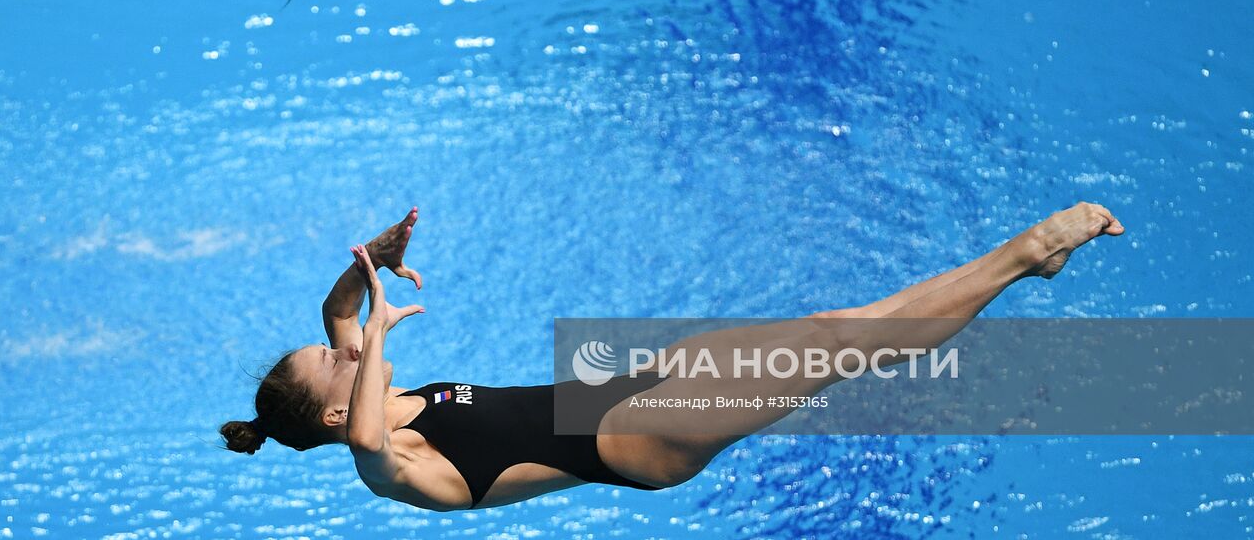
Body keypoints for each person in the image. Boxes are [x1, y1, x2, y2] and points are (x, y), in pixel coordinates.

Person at [218, 201, 1123, 511]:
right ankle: (1023, 255)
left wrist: (372, 258)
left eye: (340, 352)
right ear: (334, 412)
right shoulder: (385, 465)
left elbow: (334, 307)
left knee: (825, 329)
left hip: (616, 392)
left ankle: (1021, 264)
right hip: (636, 443)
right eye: (334, 364)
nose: (346, 351)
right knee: (845, 349)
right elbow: (368, 420)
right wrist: (376, 336)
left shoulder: (364, 392)